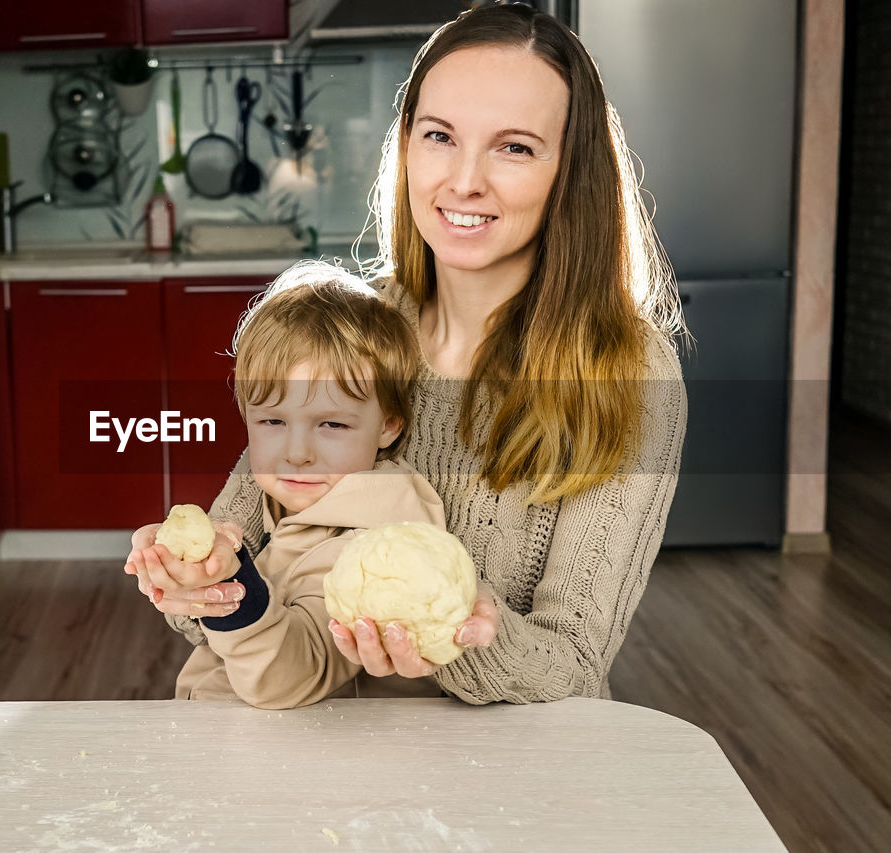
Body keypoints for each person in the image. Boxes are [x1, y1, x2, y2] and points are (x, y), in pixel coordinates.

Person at [127, 3, 687, 704]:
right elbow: (226, 598)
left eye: (514, 147)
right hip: (321, 756)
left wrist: (464, 636)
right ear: (407, 145)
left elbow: (572, 659)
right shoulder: (353, 331)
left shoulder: (629, 371)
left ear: (570, 172)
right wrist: (198, 574)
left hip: (513, 767)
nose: (463, 181)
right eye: (440, 136)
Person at [134, 264, 452, 709]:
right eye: (273, 421)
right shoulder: (280, 503)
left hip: (322, 760)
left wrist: (232, 584)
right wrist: (179, 571)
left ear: (388, 427)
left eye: (332, 424)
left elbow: (291, 675)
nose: (297, 452)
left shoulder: (375, 544)